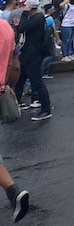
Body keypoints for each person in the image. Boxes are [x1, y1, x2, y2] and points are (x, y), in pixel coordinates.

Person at [0, 17, 31, 222]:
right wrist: (8, 87)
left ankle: (13, 191)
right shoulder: (5, 27)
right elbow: (15, 66)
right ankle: (13, 192)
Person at [13, 0, 52, 121]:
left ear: (30, 7)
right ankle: (14, 105)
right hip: (27, 54)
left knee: (37, 82)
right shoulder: (34, 19)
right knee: (20, 80)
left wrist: (24, 14)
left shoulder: (37, 18)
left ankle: (46, 110)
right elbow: (21, 28)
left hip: (33, 55)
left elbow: (23, 27)